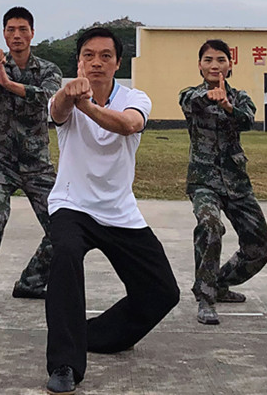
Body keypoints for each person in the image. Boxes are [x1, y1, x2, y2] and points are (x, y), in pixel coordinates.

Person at [42, 27, 180, 394]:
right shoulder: (65, 98)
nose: (97, 62)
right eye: (89, 55)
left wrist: (86, 105)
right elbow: (56, 112)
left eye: (106, 56)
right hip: (72, 204)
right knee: (66, 255)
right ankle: (64, 365)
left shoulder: (135, 97)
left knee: (163, 292)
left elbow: (129, 125)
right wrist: (68, 96)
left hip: (119, 210)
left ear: (118, 63)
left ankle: (96, 335)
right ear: (79, 61)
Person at [0, 6, 63, 320]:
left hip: (37, 163)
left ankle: (32, 281)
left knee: (64, 226)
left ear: (33, 33)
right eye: (10, 30)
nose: (17, 35)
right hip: (0, 160)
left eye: (23, 29)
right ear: (4, 34)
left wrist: (9, 85)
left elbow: (48, 98)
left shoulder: (48, 69)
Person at [178, 39, 267, 326]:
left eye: (220, 59)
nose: (214, 65)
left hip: (236, 182)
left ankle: (218, 282)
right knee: (210, 226)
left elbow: (247, 120)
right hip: (204, 181)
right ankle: (205, 299)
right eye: (208, 60)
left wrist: (228, 105)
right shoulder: (191, 95)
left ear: (230, 65)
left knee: (260, 247)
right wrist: (209, 98)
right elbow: (189, 104)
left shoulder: (241, 98)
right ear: (199, 65)